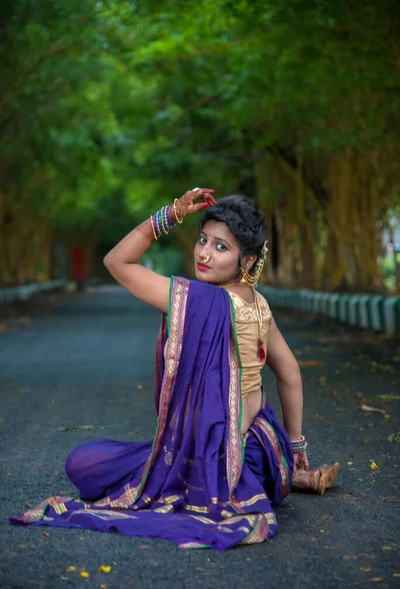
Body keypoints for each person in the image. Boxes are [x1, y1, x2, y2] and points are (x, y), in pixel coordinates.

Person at [11, 189, 339, 551]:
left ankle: (255, 481)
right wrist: (293, 445)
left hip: (215, 462)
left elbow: (117, 262)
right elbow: (289, 372)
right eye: (203, 240)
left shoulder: (202, 300)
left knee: (84, 463)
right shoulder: (258, 304)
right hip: (263, 452)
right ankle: (291, 476)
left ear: (246, 261)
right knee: (141, 460)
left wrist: (170, 214)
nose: (203, 253)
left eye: (220, 247)